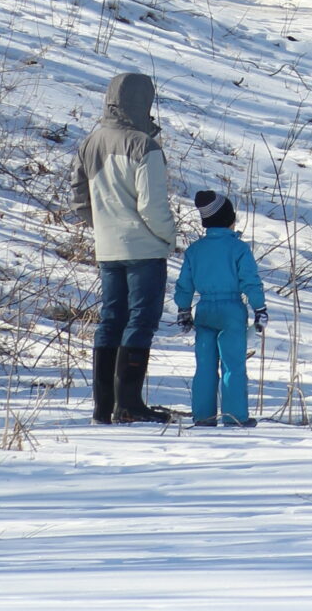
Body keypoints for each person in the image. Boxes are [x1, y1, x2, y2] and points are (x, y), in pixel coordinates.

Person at [69, 69, 177, 426]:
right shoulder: (145, 146)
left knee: (110, 320)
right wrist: (168, 238)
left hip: (108, 247)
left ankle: (103, 407)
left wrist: (102, 227)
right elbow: (152, 206)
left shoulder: (89, 143)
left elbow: (79, 199)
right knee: (140, 321)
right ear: (143, 102)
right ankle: (129, 403)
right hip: (144, 248)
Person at [175, 189, 269, 428]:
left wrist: (184, 309)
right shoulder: (238, 249)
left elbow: (184, 284)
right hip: (231, 310)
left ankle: (203, 417)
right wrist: (260, 307)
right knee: (233, 365)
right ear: (229, 219)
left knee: (204, 366)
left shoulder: (195, 250)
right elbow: (250, 281)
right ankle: (235, 417)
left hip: (204, 309)